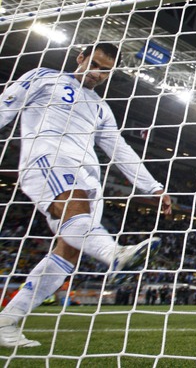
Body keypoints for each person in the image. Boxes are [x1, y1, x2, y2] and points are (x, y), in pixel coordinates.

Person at [0, 43, 171, 348]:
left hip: (89, 177)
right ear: (80, 58)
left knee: (68, 252)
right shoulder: (44, 77)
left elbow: (119, 149)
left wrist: (153, 187)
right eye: (94, 64)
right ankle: (115, 254)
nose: (97, 73)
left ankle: (7, 322)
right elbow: (6, 104)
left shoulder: (100, 107)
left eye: (105, 70)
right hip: (47, 160)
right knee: (74, 206)